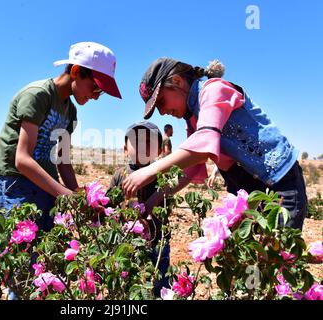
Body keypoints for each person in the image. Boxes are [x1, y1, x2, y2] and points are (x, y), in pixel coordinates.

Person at [123, 57, 307, 230]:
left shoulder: (213, 90)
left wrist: (149, 171)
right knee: (248, 257)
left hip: (281, 185)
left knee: (277, 255)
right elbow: (191, 168)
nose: (162, 112)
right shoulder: (193, 118)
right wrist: (153, 200)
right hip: (249, 191)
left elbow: (203, 147)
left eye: (161, 102)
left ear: (177, 81)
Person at [0, 41, 122, 230]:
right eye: (94, 87)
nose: (95, 96)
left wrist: (78, 197)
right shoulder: (38, 95)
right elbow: (22, 160)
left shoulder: (70, 112)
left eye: (100, 92)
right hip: (17, 182)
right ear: (76, 71)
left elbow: (63, 160)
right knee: (20, 248)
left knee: (43, 251)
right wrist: (67, 196)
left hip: (46, 184)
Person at [108, 121, 170, 296]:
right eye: (136, 141)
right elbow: (109, 205)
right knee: (128, 285)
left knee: (159, 283)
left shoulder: (162, 176)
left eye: (149, 141)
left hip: (157, 243)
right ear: (125, 149)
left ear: (159, 150)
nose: (142, 145)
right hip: (125, 243)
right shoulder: (119, 174)